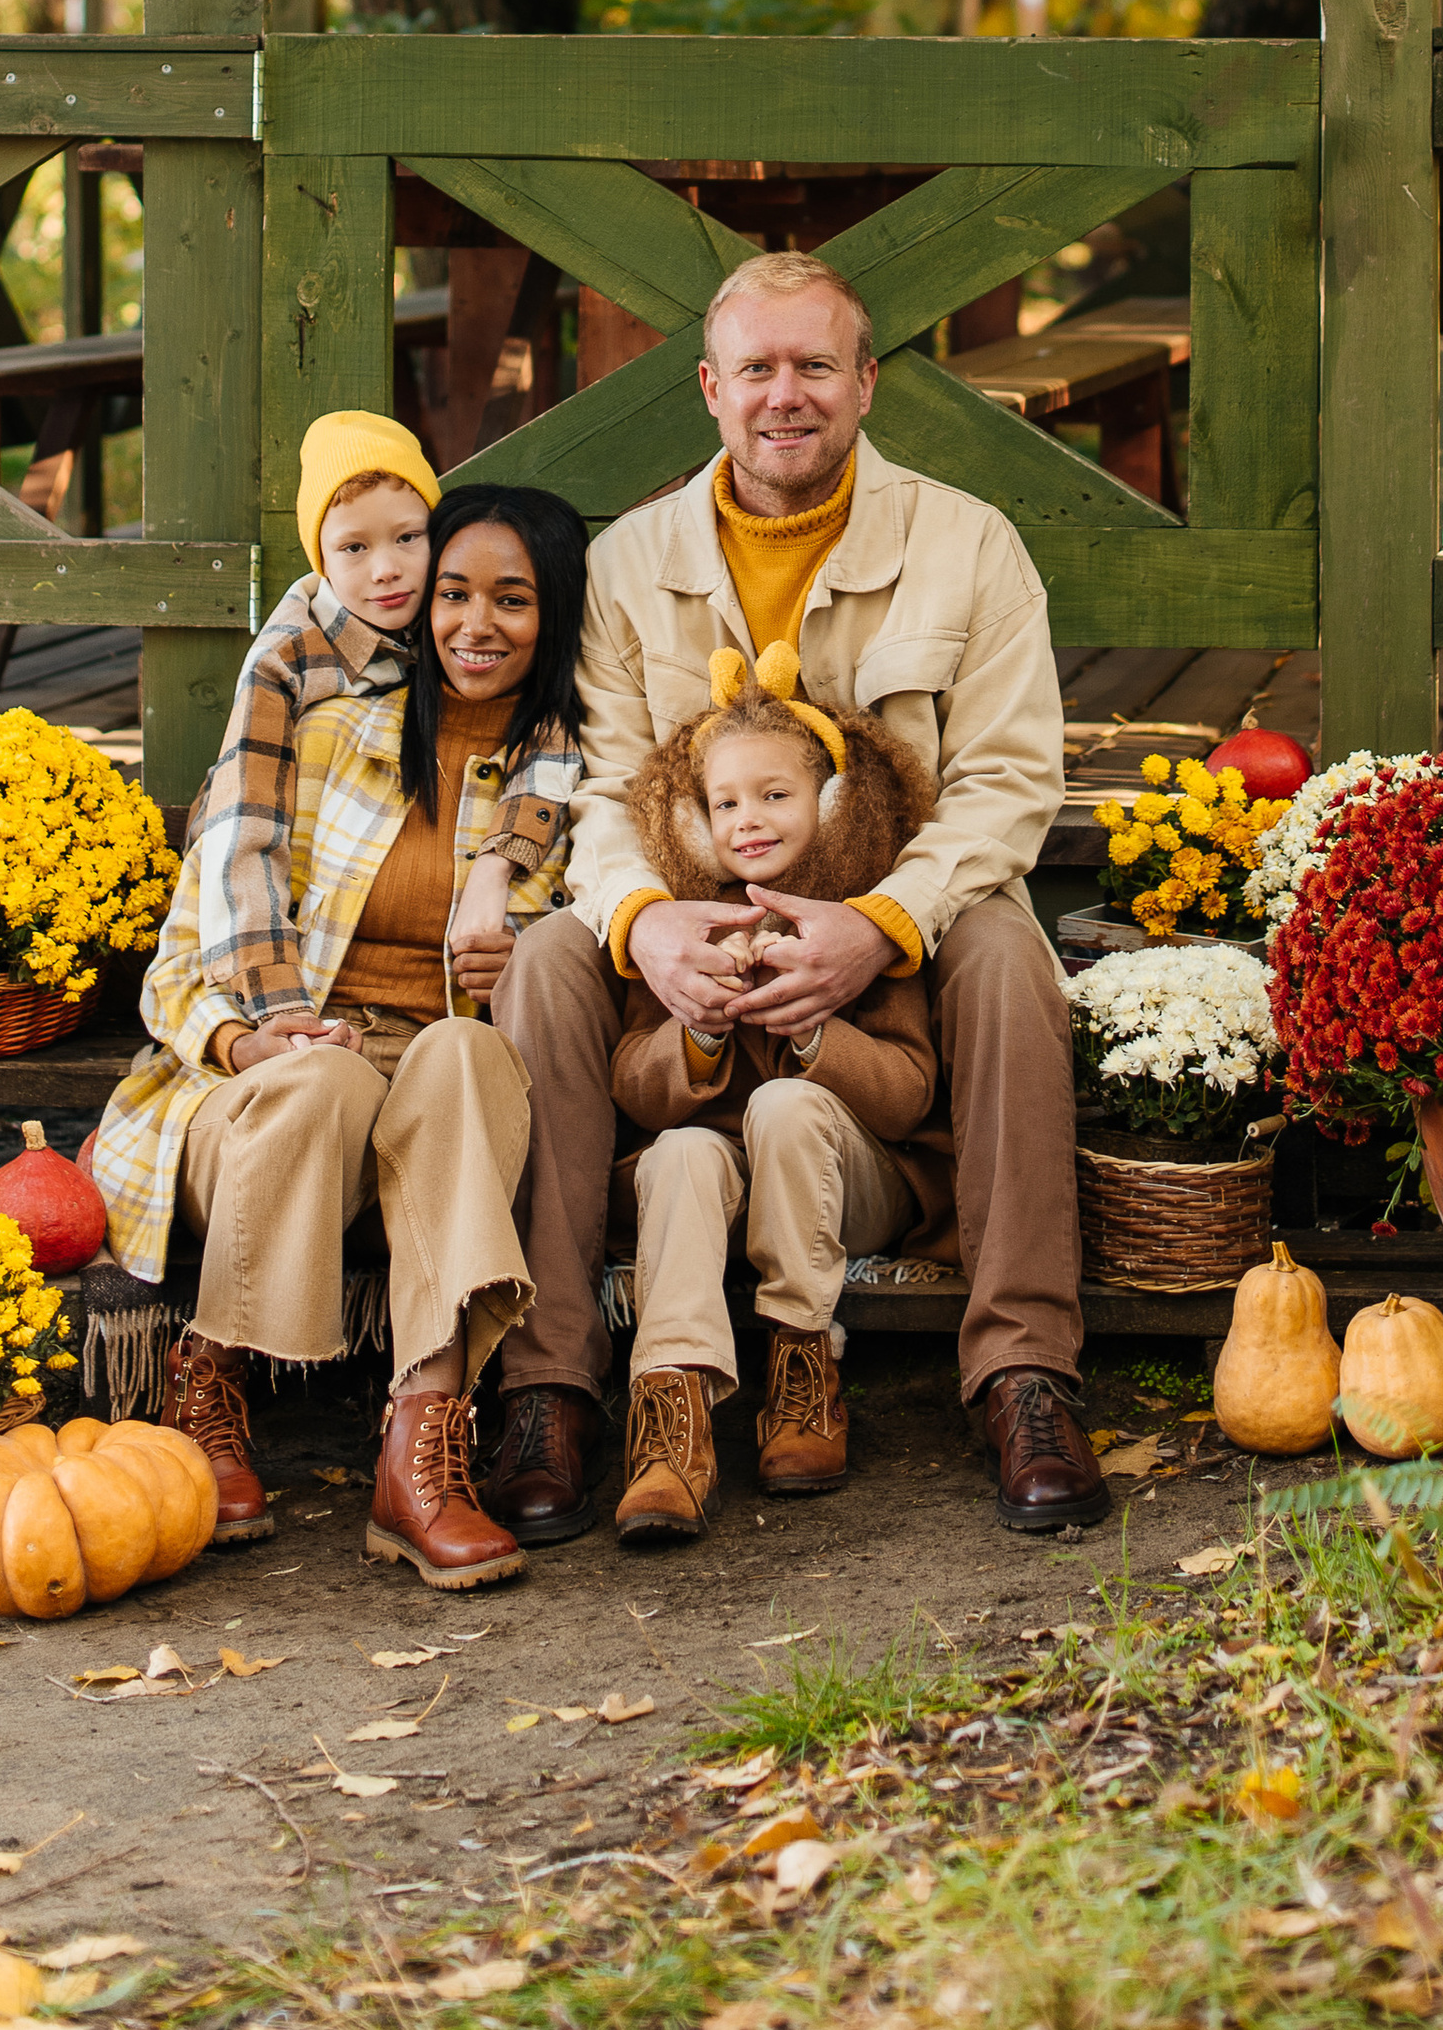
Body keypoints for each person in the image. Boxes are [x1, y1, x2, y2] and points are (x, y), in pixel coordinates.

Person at [487, 249, 1107, 1542]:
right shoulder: (631, 561)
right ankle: (550, 1381)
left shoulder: (964, 545)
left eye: (816, 363)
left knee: (1005, 946)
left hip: (894, 969)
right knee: (549, 954)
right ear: (711, 389)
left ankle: (1022, 1365)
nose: (788, 393)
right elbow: (599, 785)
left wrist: (881, 922)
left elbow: (1008, 784)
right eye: (758, 367)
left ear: (867, 381)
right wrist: (645, 920)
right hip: (692, 958)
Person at [90, 414, 587, 1587]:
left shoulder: (559, 786)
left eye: (509, 600)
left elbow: (579, 954)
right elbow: (181, 954)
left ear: (548, 615)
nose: (470, 622)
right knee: (319, 1074)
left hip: (426, 1103)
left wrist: (511, 937)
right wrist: (236, 1030)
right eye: (451, 592)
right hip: (258, 1088)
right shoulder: (313, 727)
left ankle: (422, 1453)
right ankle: (209, 1385)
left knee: (468, 1060)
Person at [609, 645, 945, 1542]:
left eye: (775, 795)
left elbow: (910, 1096)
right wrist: (701, 1028)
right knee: (679, 1149)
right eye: (725, 803)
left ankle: (803, 1363)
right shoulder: (689, 923)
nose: (747, 820)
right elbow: (637, 1091)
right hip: (723, 1183)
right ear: (693, 818)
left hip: (848, 1182)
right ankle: (670, 1414)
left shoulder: (856, 919)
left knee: (785, 1105)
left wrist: (812, 1030)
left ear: (831, 801)